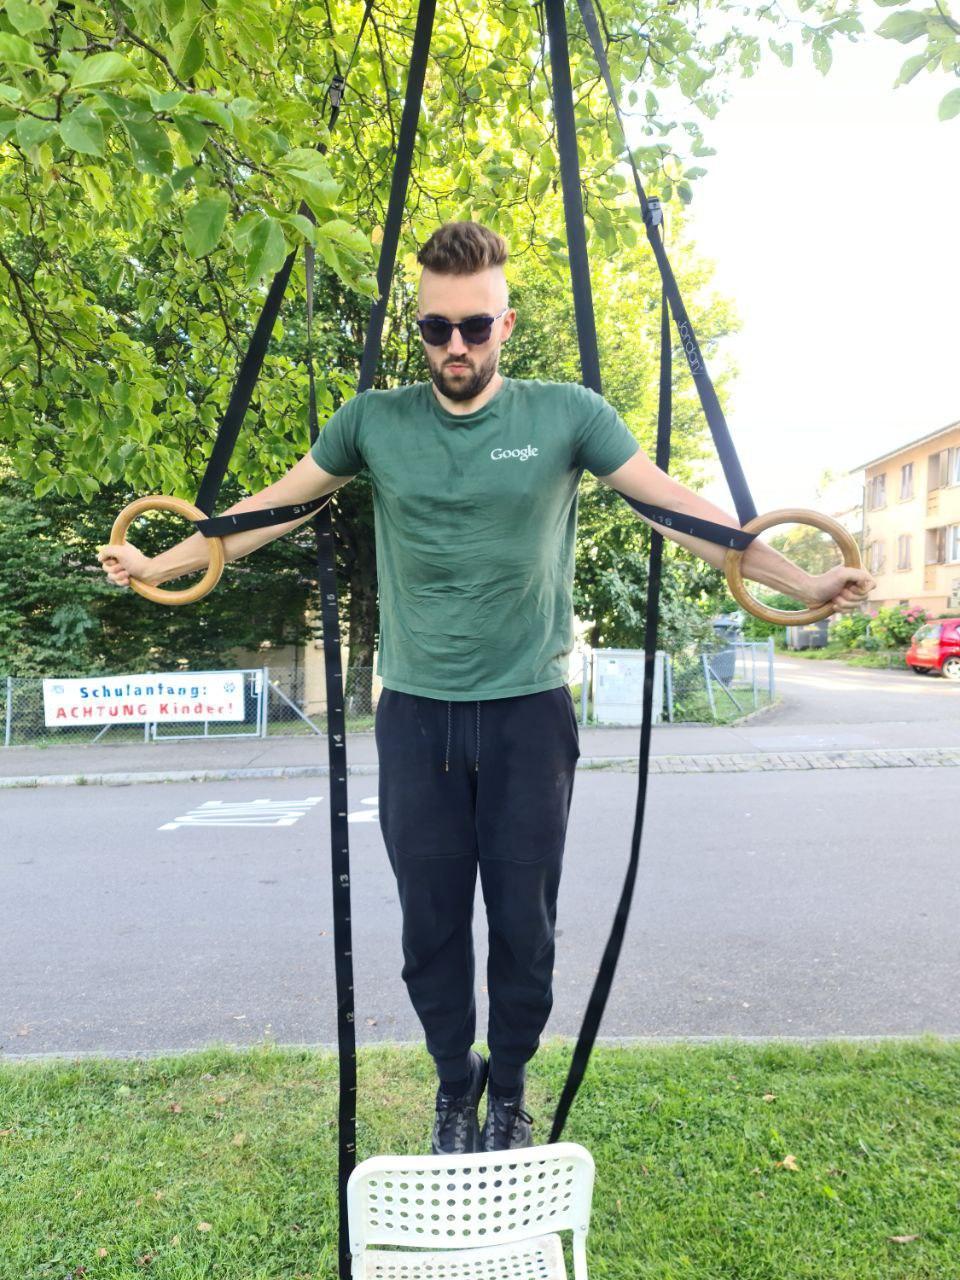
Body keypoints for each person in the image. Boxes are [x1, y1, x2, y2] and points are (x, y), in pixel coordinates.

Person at [98, 220, 876, 1154]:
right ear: (418, 328)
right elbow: (255, 515)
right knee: (430, 926)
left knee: (524, 926)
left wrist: (804, 585)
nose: (456, 346)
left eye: (474, 327)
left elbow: (682, 512)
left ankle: (508, 1088)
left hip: (527, 715)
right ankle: (451, 1085)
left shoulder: (567, 416)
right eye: (437, 329)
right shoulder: (372, 422)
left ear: (506, 322)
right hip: (417, 714)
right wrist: (154, 563)